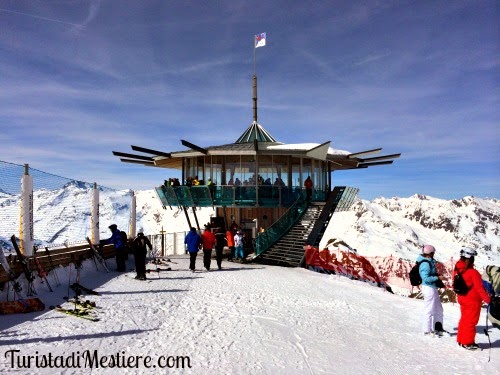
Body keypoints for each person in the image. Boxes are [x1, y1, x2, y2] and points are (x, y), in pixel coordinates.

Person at [454, 248, 491, 350]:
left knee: (464, 320)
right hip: (472, 301)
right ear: (470, 259)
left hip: (462, 299)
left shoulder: (457, 268)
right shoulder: (473, 272)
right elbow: (480, 289)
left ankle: (461, 340)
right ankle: (468, 343)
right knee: (470, 322)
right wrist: (488, 300)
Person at [417, 245, 446, 336]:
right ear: (430, 253)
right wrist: (437, 277)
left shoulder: (429, 262)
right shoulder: (425, 264)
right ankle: (427, 331)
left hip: (432, 287)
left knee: (438, 309)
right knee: (429, 309)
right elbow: (425, 278)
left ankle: (438, 328)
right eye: (433, 253)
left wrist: (436, 277)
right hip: (429, 288)